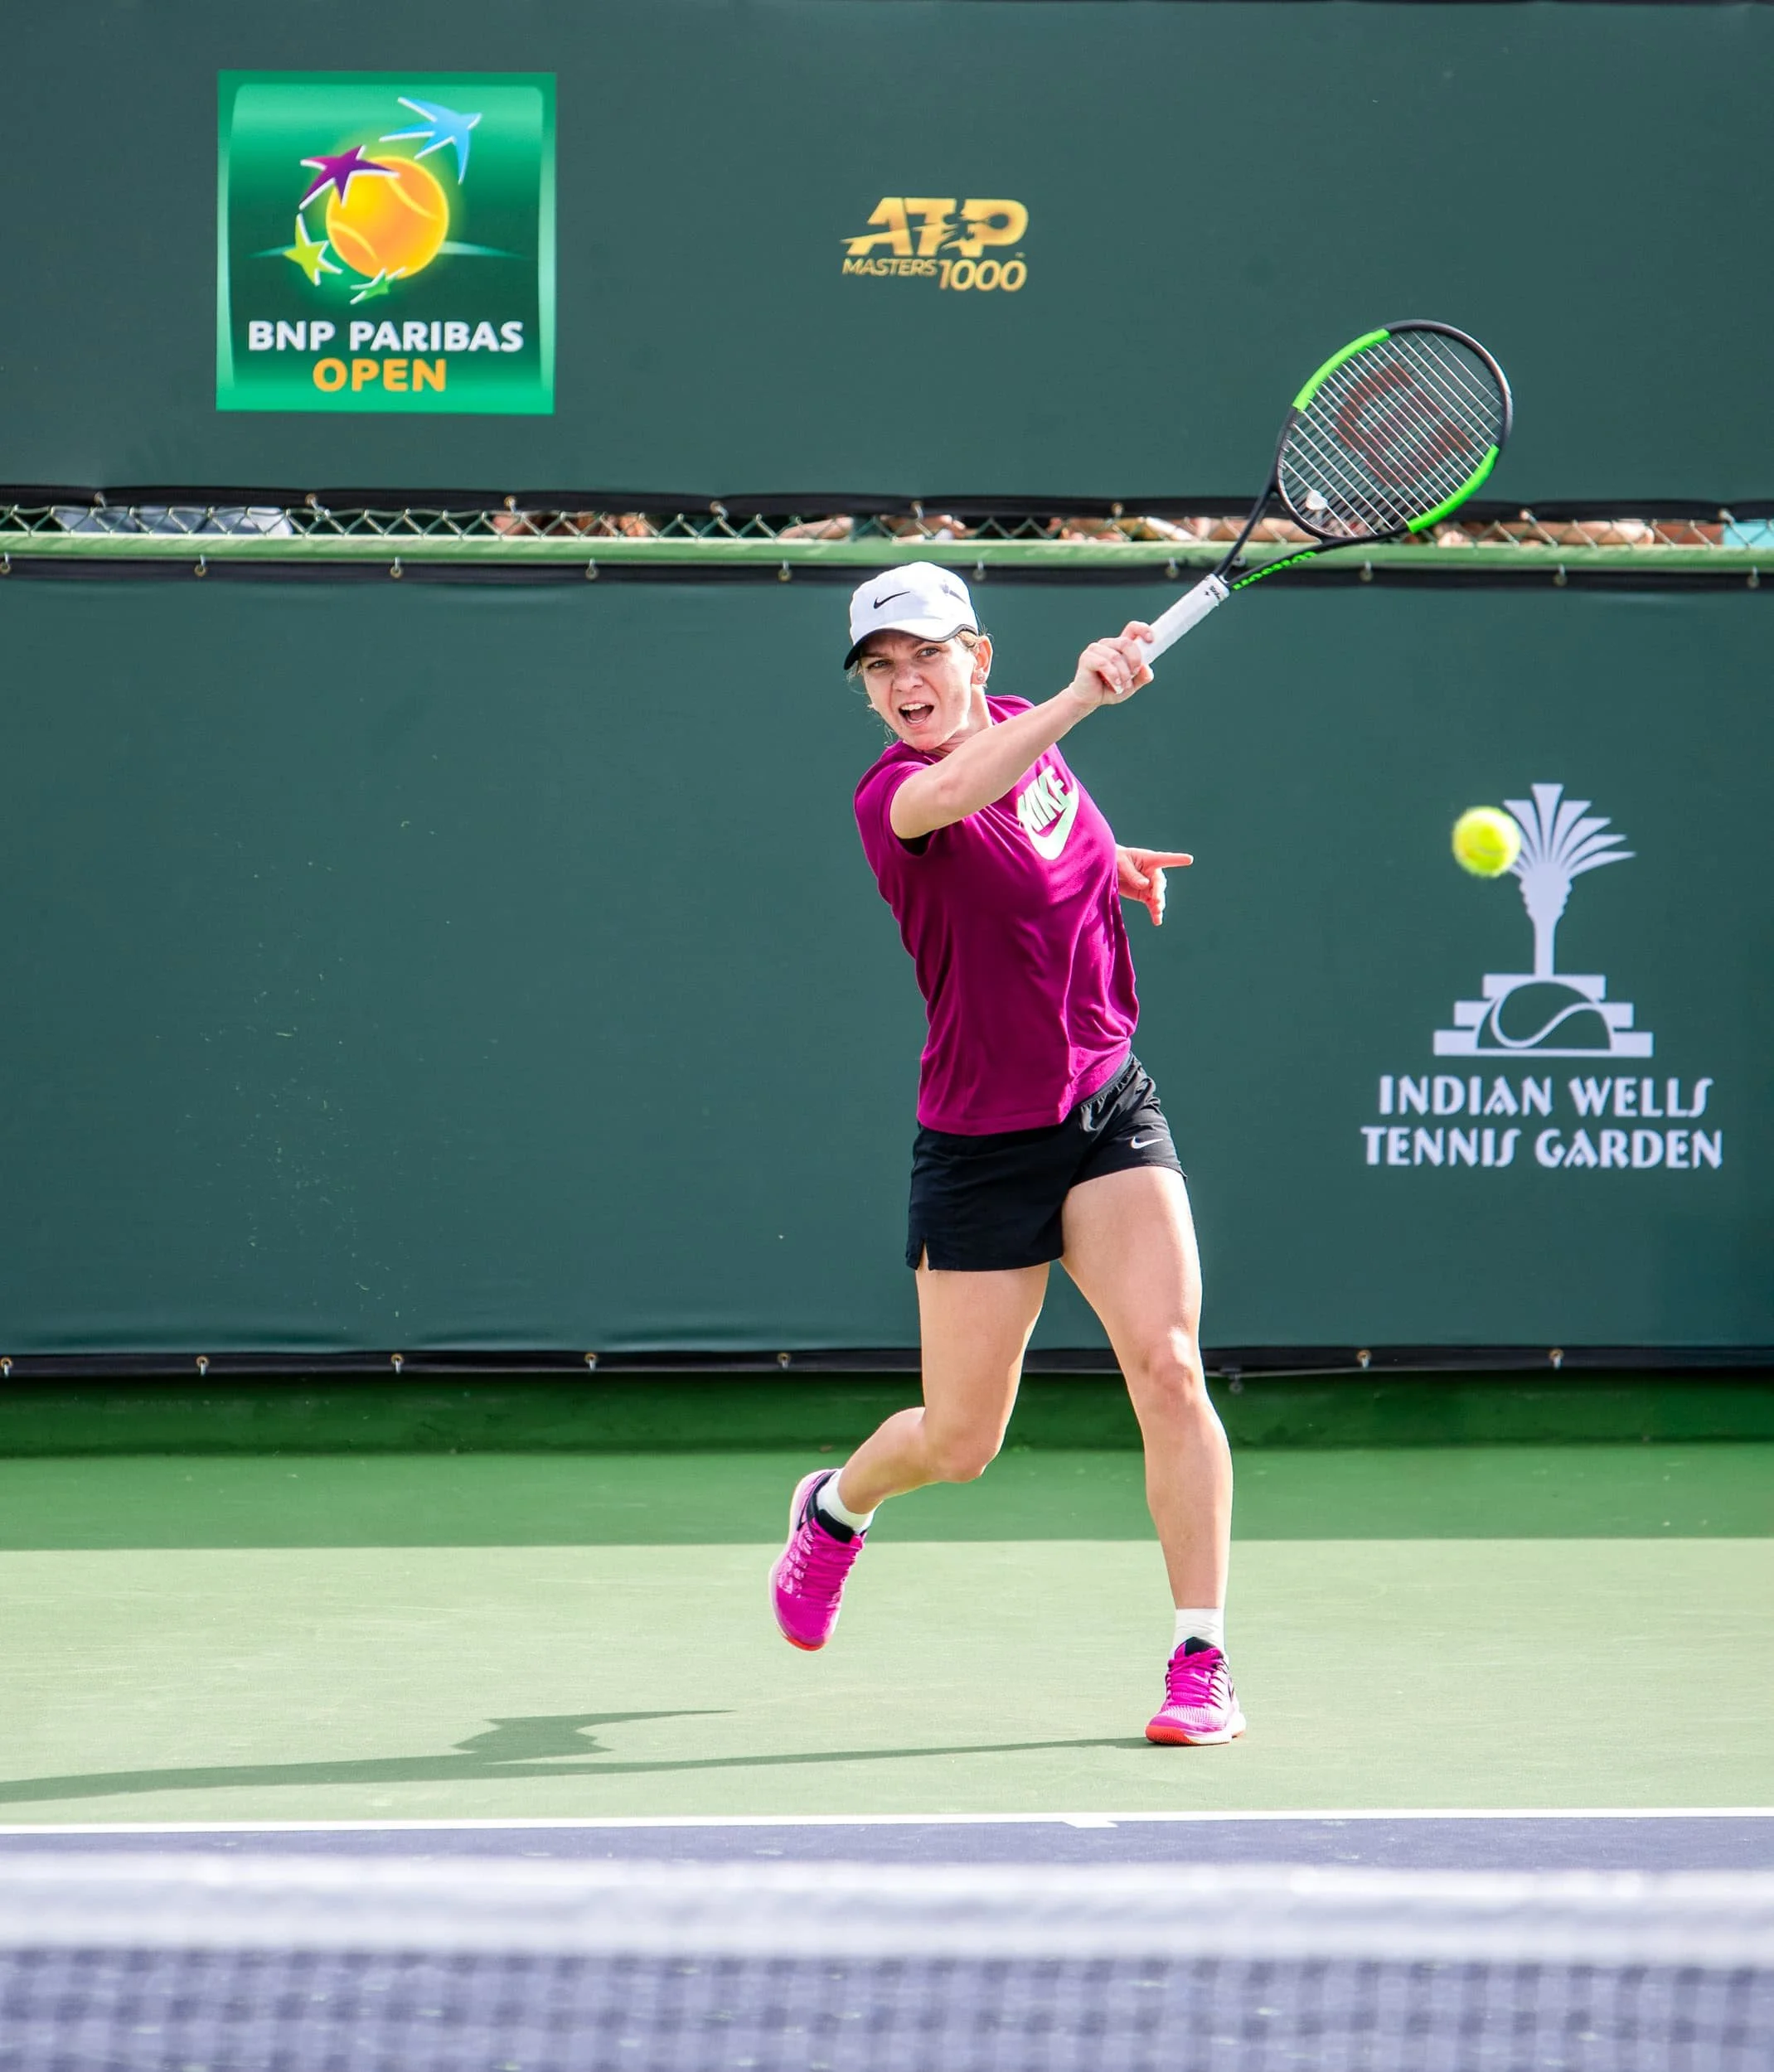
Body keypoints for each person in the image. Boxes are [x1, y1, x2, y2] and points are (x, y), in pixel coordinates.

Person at [769, 562, 1242, 1746]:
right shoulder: (896, 795)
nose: (904, 682)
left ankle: (1201, 1659)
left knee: (1172, 1366)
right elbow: (972, 785)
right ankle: (834, 1509)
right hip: (980, 1148)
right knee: (960, 1441)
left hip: (1104, 1106)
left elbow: (1042, 818)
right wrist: (1081, 695)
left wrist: (1110, 868)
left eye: (925, 654)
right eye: (880, 668)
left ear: (977, 656)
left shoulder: (1029, 734)